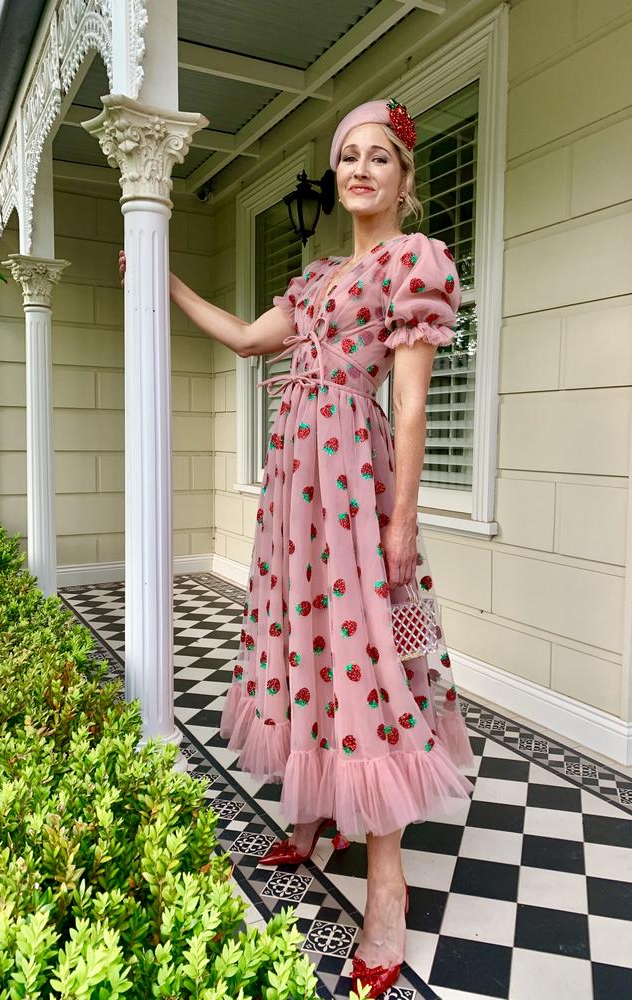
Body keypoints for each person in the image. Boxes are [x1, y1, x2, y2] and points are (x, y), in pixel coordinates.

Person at [119, 97, 474, 998]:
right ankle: (317, 813)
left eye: (378, 158)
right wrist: (161, 279)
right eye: (348, 157)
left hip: (359, 498)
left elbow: (406, 404)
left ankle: (385, 887)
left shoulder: (412, 264)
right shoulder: (314, 280)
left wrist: (401, 523)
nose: (359, 169)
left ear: (404, 180)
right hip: (295, 504)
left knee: (370, 669)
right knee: (303, 654)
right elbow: (244, 339)